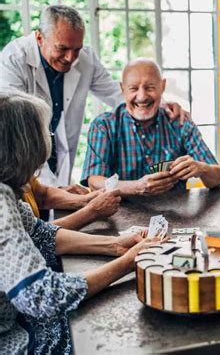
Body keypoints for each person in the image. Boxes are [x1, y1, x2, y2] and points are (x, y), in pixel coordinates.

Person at [0, 91, 161, 354]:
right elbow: (43, 295)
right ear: (24, 146)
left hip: (16, 318)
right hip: (11, 339)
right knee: (102, 340)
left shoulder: (6, 191)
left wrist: (116, 245)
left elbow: (40, 234)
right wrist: (127, 263)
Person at [0, 4, 186, 189]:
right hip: (20, 160)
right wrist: (50, 190)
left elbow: (116, 93)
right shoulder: (13, 61)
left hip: (58, 156)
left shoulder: (85, 59)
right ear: (40, 38)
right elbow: (16, 132)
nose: (70, 58)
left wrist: (163, 105)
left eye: (77, 49)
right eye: (62, 49)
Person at [81, 58, 220, 195]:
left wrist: (202, 168)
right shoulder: (104, 126)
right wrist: (137, 187)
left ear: (162, 86)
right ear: (122, 89)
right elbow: (94, 182)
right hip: (119, 212)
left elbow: (217, 178)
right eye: (133, 88)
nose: (142, 96)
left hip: (176, 214)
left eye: (150, 87)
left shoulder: (180, 123)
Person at [23, 176, 121, 230]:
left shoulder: (22, 171)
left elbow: (42, 195)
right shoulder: (8, 193)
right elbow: (35, 234)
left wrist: (84, 200)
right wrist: (92, 211)